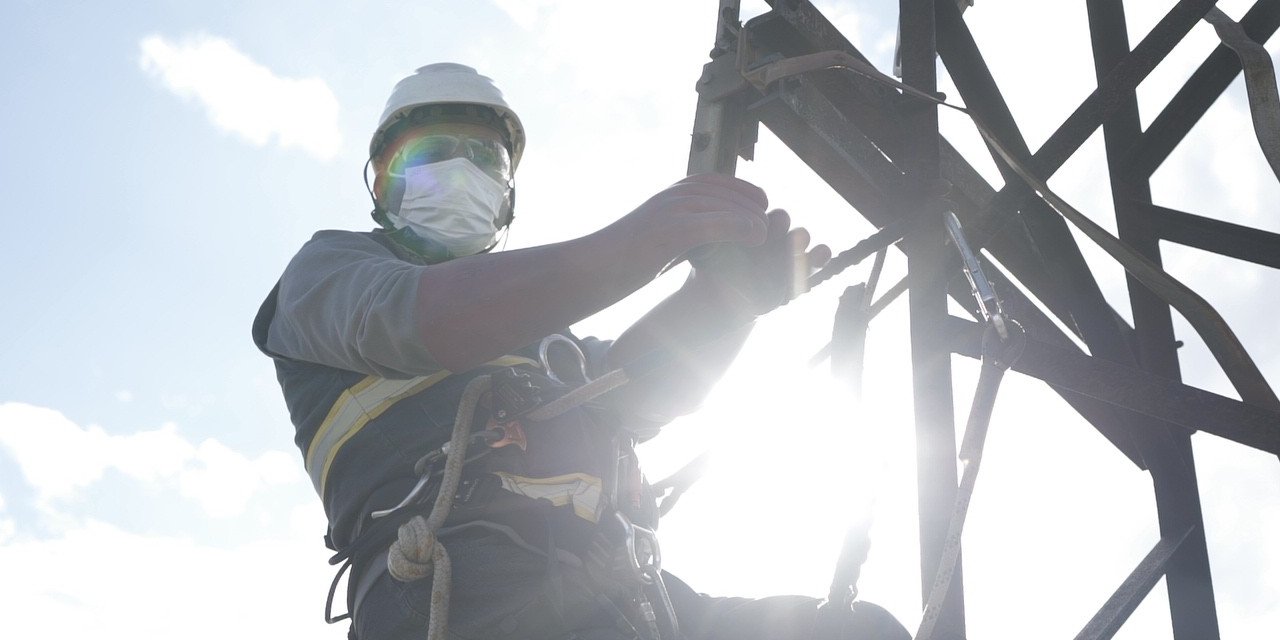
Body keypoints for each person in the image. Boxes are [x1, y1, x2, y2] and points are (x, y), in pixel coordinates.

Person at [254, 62, 909, 640]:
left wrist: (728, 302)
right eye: (432, 153)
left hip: (619, 588)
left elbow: (636, 395)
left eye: (484, 159)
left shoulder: (553, 347)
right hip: (460, 587)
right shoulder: (331, 274)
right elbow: (430, 320)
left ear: (506, 198)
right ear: (383, 183)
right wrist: (641, 241)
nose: (460, 171)